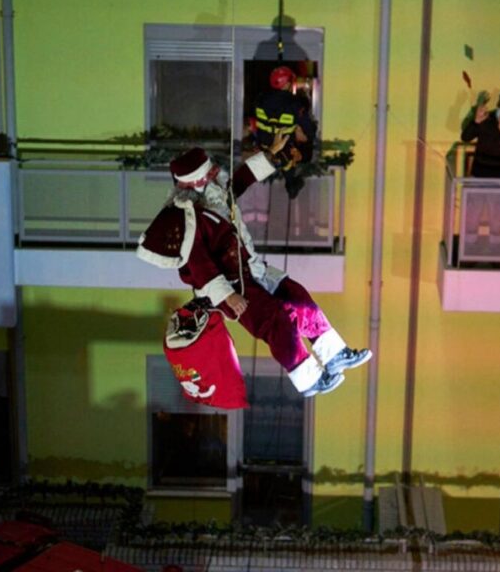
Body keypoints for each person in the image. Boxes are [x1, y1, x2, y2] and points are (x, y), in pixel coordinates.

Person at [137, 140, 371, 398]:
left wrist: (271, 155)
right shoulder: (189, 219)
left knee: (297, 297)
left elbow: (241, 179)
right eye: (211, 172)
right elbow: (201, 267)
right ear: (196, 182)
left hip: (254, 271)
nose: (217, 173)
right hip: (236, 289)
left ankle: (335, 354)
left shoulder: (215, 195)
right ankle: (309, 380)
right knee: (276, 322)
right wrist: (228, 296)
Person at [460, 89, 500, 245]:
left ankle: (495, 251)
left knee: (496, 217)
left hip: (498, 178)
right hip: (479, 174)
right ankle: (469, 249)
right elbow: (465, 137)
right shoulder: (487, 117)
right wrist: (476, 121)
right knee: (473, 215)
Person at [253, 66, 314, 198]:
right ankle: (291, 184)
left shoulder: (261, 98)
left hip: (263, 144)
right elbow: (307, 127)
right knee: (289, 160)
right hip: (283, 145)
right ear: (286, 83)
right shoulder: (295, 103)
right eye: (291, 81)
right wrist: (309, 136)